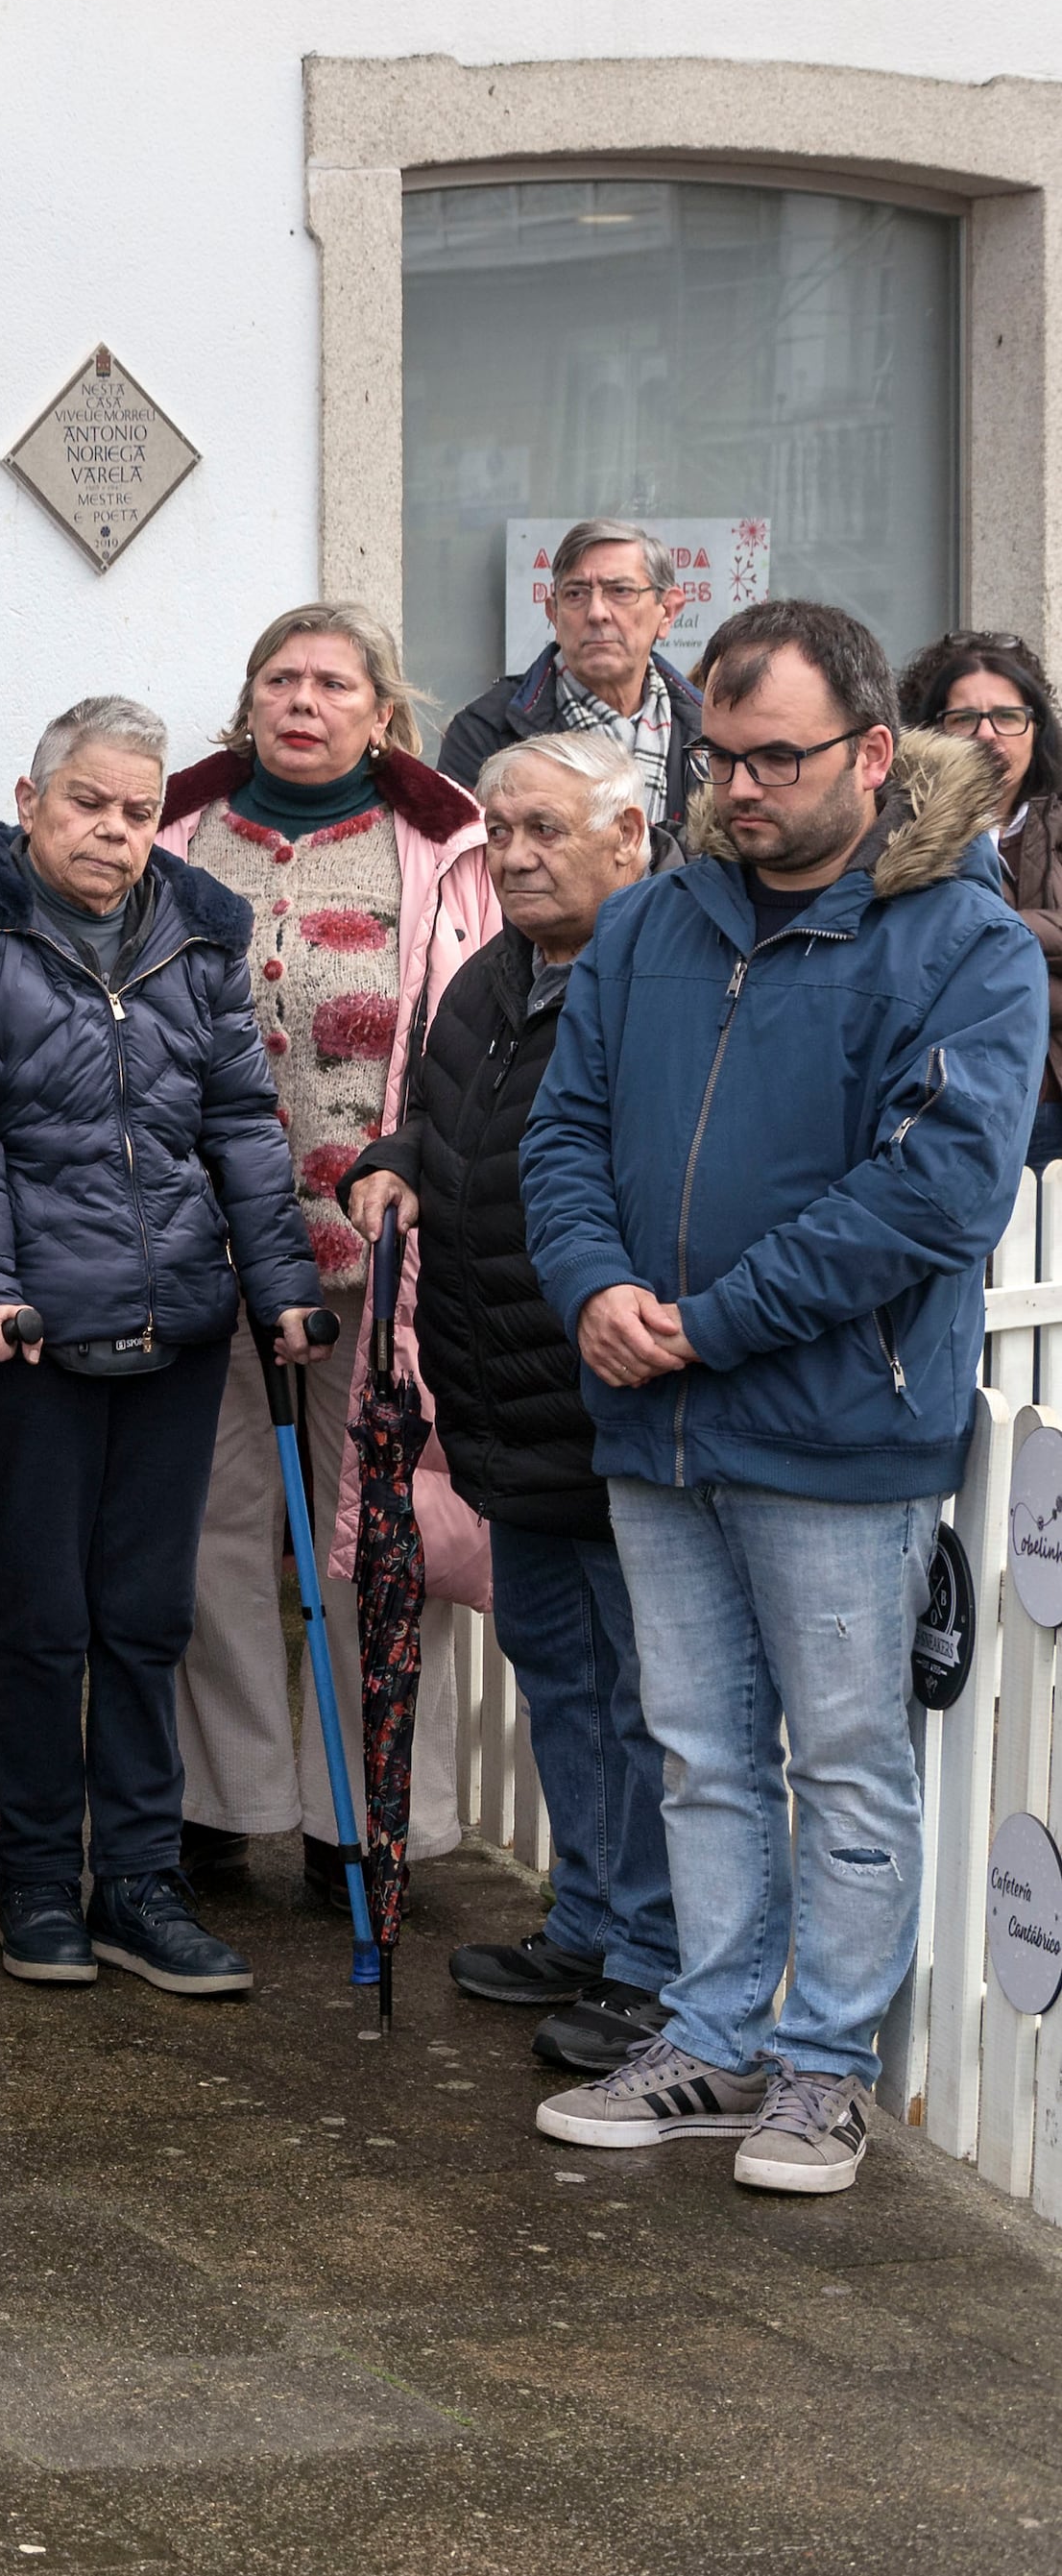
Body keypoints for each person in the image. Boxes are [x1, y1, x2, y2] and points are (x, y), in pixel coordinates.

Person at [526, 601, 1041, 2198]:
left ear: (874, 754)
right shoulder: (652, 922)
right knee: (700, 1748)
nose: (739, 788)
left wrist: (705, 1325)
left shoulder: (968, 943)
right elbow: (565, 1134)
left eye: (777, 759)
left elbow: (933, 1198)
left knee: (847, 1755)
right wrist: (596, 1290)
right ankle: (712, 2031)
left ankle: (822, 2073)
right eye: (719, 758)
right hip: (661, 1421)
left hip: (835, 1432)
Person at [0, 695, 325, 1998]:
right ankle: (37, 1879)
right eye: (89, 803)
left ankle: (138, 1878)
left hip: (183, 1315)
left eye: (139, 811)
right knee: (43, 1618)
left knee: (146, 1614)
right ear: (30, 802)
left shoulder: (201, 928)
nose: (115, 831)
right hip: (28, 1328)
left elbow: (245, 1121)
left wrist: (282, 1282)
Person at [155, 604, 497, 1908]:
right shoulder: (180, 826)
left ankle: (365, 1809)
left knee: (381, 1533)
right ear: (246, 700)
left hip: (381, 1247)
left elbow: (468, 1025)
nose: (303, 699)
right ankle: (219, 1799)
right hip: (201, 1240)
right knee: (213, 1525)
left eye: (331, 682)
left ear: (380, 709)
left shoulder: (441, 841)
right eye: (278, 678)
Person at [340, 731, 671, 2075]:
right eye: (503, 834)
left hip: (619, 1402)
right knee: (561, 1678)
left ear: (630, 835)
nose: (519, 855)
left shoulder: (664, 973)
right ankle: (587, 1918)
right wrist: (396, 1157)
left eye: (549, 829)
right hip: (504, 1403)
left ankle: (653, 1962)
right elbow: (446, 1116)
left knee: (651, 1701)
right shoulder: (493, 975)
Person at [901, 630, 1062, 1162]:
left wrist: (991, 936)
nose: (987, 735)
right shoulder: (902, 829)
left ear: (1035, 729)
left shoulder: (1057, 819)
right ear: (933, 733)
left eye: (1007, 717)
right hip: (943, 1102)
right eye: (964, 719)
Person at [440, 516, 708, 831]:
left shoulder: (708, 731)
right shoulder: (487, 732)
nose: (596, 613)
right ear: (553, 613)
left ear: (668, 612)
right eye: (576, 594)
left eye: (620, 591)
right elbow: (464, 867)